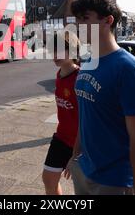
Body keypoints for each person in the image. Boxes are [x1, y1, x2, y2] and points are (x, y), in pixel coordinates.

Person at [64, 0, 135, 195]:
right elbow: (85, 117)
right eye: (77, 19)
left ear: (107, 20)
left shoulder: (130, 71)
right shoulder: (87, 62)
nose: (78, 25)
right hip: (84, 169)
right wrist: (75, 156)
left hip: (114, 181)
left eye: (85, 18)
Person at [42, 31, 80, 195]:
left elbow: (86, 120)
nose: (54, 54)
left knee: (83, 188)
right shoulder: (59, 75)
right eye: (52, 49)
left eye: (59, 49)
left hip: (81, 144)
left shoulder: (80, 78)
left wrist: (76, 154)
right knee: (48, 179)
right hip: (61, 138)